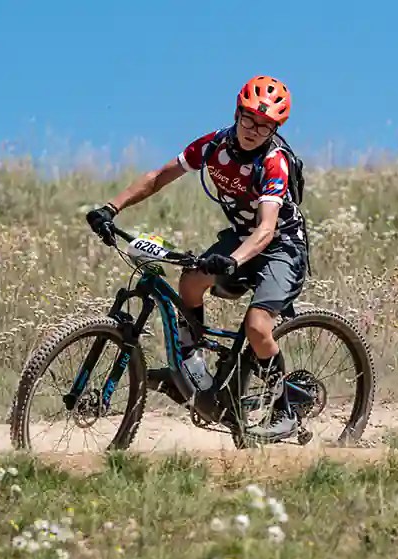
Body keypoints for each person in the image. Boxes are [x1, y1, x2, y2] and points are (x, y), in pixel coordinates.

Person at [84, 75, 308, 442]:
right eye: (249, 119)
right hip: (242, 239)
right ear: (236, 113)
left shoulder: (274, 162)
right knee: (189, 281)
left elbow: (267, 228)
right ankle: (191, 366)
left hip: (282, 246)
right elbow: (159, 177)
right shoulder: (213, 146)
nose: (253, 130)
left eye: (265, 125)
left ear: (275, 129)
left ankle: (286, 407)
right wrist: (111, 207)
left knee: (257, 327)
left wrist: (233, 261)